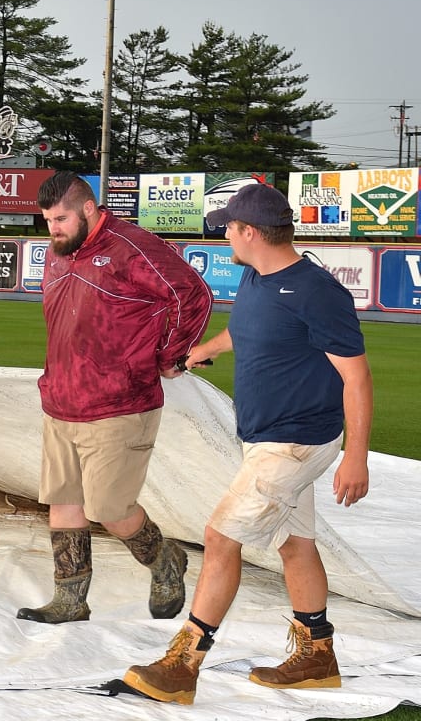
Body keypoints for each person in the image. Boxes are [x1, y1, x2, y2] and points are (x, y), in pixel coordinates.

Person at [121, 183, 373, 705]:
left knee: (220, 538)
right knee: (294, 542)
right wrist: (199, 352)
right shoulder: (256, 277)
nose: (226, 236)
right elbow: (243, 331)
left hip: (296, 443)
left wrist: (355, 458)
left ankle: (182, 666)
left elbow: (357, 378)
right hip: (266, 438)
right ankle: (316, 657)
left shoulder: (317, 291)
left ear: (251, 232)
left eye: (230, 228)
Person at [16, 171, 213, 625]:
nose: (53, 229)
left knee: (107, 508)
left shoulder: (130, 246)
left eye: (61, 218)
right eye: (47, 220)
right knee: (63, 499)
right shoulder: (58, 252)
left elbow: (192, 294)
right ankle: (70, 599)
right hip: (62, 398)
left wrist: (170, 355)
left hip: (120, 401)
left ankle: (165, 558)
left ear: (89, 208)